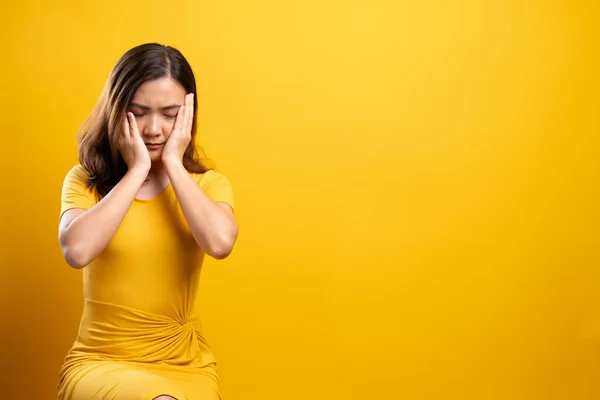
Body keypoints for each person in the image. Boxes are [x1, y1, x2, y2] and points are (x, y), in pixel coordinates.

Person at [57, 43, 239, 400]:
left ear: (188, 115)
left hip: (184, 363)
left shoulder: (207, 185)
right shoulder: (85, 180)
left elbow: (220, 244)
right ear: (117, 109)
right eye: (139, 113)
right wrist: (138, 169)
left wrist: (173, 163)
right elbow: (76, 250)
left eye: (170, 114)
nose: (153, 129)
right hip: (101, 361)